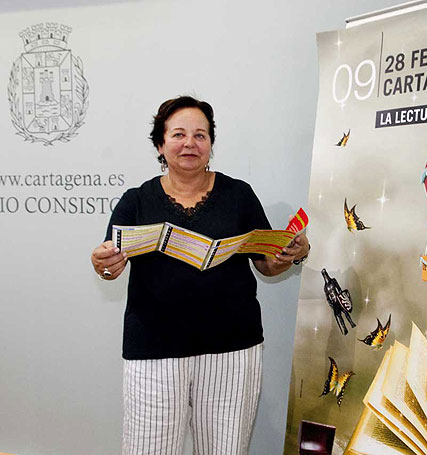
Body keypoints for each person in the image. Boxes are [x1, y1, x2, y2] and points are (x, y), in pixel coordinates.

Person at [90, 96, 310, 455]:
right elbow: (108, 263)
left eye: (200, 135)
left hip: (233, 351)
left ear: (210, 144)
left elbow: (267, 264)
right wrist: (103, 263)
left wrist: (289, 255)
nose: (190, 143)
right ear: (160, 145)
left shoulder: (238, 195)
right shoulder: (136, 201)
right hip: (154, 351)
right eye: (178, 134)